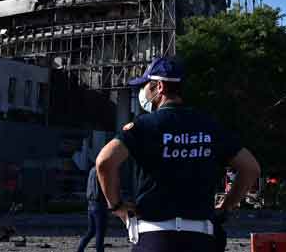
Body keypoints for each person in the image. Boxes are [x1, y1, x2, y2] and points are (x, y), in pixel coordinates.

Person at [95, 57, 261, 252]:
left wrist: (117, 206)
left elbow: (105, 161)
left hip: (154, 237)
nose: (143, 92)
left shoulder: (144, 126)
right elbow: (251, 168)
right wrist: (226, 206)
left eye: (145, 86)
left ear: (159, 87)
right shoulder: (210, 126)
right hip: (201, 238)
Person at [76, 165, 108, 252]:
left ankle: (80, 249)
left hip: (90, 204)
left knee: (91, 231)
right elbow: (105, 188)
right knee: (100, 233)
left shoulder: (92, 170)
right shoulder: (102, 170)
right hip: (99, 204)